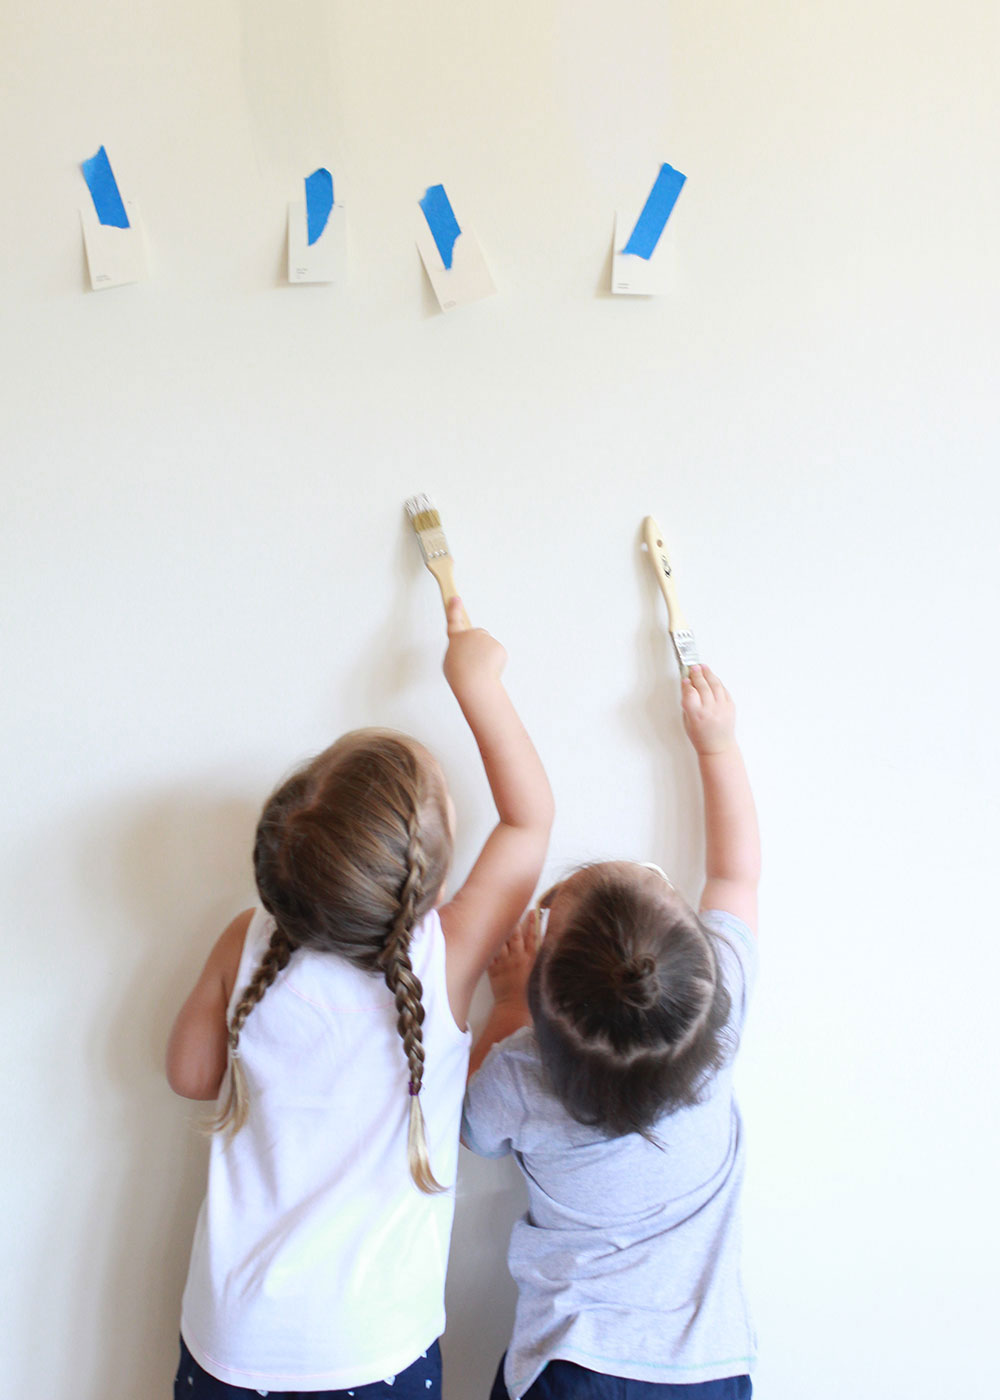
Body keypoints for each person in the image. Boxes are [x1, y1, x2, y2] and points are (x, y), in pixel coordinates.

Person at [166, 596, 554, 1399]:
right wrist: (476, 683)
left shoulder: (248, 940)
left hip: (230, 1342)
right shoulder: (443, 958)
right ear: (436, 883)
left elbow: (189, 1075)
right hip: (374, 1350)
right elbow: (530, 819)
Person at [463, 664, 760, 1400]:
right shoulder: (716, 1020)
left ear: (545, 1004)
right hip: (704, 1370)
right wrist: (718, 748)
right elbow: (735, 876)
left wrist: (505, 1006)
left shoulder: (521, 1073)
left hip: (574, 1364)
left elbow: (465, 1128)